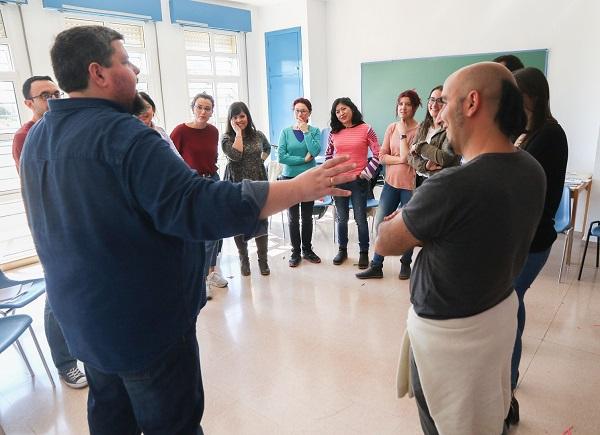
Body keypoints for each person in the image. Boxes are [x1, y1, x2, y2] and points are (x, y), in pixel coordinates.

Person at [20, 25, 354, 434]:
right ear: (98, 73)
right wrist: (299, 187)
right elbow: (199, 205)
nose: (136, 69)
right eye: (125, 61)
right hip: (141, 326)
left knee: (110, 415)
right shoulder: (126, 137)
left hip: (85, 321)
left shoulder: (39, 137)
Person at [379, 62, 546, 435]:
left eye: (443, 102)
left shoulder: (452, 185)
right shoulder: (531, 169)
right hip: (496, 313)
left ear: (471, 103)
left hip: (450, 341)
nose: (437, 113)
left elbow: (384, 240)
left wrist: (412, 223)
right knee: (485, 415)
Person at [12, 75, 87, 389]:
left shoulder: (66, 128)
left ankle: (86, 348)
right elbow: (42, 185)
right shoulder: (25, 136)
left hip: (80, 223)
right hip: (53, 229)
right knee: (57, 295)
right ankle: (65, 363)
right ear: (29, 103)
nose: (53, 98)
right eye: (45, 95)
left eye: (56, 92)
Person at [506, 67, 568, 426]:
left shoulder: (549, 135)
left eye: (516, 91)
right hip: (522, 237)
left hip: (534, 239)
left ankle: (508, 383)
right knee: (514, 303)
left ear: (531, 95)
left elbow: (528, 188)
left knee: (509, 304)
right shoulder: (530, 132)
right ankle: (510, 376)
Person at [356, 90, 420, 280]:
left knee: (408, 227)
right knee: (381, 224)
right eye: (400, 104)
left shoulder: (420, 130)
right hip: (390, 185)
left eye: (407, 104)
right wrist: (401, 158)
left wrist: (402, 139)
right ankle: (376, 265)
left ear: (415, 107)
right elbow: (382, 156)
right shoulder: (391, 127)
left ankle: (405, 264)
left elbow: (412, 159)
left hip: (409, 186)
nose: (403, 107)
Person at [170, 92, 228, 299]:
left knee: (216, 232)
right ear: (193, 108)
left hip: (212, 180)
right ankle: (200, 279)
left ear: (212, 111)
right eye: (199, 107)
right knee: (202, 234)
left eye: (207, 108)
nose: (203, 112)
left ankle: (211, 273)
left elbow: (212, 158)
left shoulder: (213, 131)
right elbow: (171, 159)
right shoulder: (180, 131)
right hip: (192, 184)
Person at [326, 97, 380, 269]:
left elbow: (378, 154)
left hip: (358, 182)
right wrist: (331, 175)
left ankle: (364, 252)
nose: (341, 113)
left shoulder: (366, 129)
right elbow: (328, 155)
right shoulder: (334, 132)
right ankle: (342, 250)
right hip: (339, 181)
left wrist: (366, 174)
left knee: (360, 219)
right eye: (337, 111)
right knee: (341, 219)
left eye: (343, 109)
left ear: (352, 109)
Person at [221, 101, 272, 276]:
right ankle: (244, 259)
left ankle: (263, 260)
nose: (239, 120)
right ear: (230, 120)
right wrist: (238, 134)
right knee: (239, 221)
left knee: (260, 219)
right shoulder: (227, 137)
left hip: (258, 180)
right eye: (235, 117)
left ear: (247, 116)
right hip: (237, 182)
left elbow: (267, 148)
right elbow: (235, 155)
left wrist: (261, 160)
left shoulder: (258, 135)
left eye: (242, 116)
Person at [278, 97, 322, 267]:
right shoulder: (285, 132)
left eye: (303, 110)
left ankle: (307, 250)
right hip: (290, 178)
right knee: (293, 218)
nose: (300, 113)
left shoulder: (315, 131)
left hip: (309, 178)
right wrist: (303, 160)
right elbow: (282, 156)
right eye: (297, 110)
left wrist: (305, 131)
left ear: (309, 113)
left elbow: (315, 151)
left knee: (307, 217)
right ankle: (295, 252)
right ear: (293, 112)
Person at [408, 85, 461, 184]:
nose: (434, 104)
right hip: (419, 180)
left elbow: (444, 158)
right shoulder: (423, 126)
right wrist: (425, 166)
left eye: (440, 101)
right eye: (432, 100)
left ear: (447, 104)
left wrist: (419, 147)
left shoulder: (451, 128)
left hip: (442, 183)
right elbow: (410, 157)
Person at [136, 91, 180, 156]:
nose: (143, 112)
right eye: (138, 109)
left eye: (146, 107)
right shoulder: (129, 137)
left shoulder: (161, 131)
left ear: (153, 110)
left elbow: (177, 157)